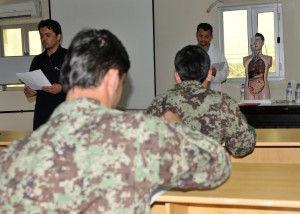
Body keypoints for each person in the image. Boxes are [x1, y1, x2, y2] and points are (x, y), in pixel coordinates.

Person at [0, 29, 231, 213]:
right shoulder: (143, 134)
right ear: (112, 79)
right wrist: (172, 127)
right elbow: (217, 164)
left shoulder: (14, 156)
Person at [146, 45, 256, 157]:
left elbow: (146, 146)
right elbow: (242, 147)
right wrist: (248, 128)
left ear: (177, 76)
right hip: (209, 172)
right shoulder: (223, 103)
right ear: (209, 74)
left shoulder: (159, 103)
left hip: (170, 172)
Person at [24, 19, 68, 130]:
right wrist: (28, 91)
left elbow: (82, 85)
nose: (43, 38)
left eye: (47, 35)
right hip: (41, 115)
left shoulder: (70, 57)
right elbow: (31, 84)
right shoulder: (37, 60)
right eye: (41, 35)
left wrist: (62, 88)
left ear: (58, 37)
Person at [196, 23, 229, 92]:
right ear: (196, 35)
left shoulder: (218, 53)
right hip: (196, 91)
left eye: (206, 37)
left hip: (214, 91)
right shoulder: (191, 53)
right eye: (201, 36)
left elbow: (225, 72)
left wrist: (215, 74)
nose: (203, 39)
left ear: (211, 37)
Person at [243, 33, 272, 100]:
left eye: (258, 40)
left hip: (263, 87)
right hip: (249, 87)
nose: (255, 42)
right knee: (249, 109)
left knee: (264, 108)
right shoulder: (246, 59)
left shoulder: (268, 59)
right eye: (254, 40)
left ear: (263, 42)